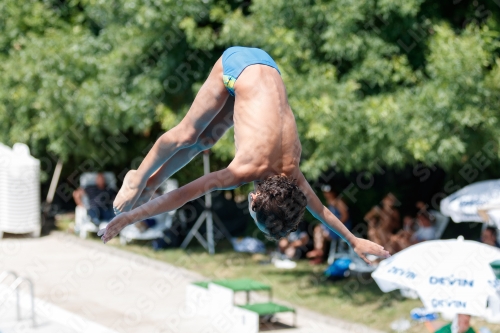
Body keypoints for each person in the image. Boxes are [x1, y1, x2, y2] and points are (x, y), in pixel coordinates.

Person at [98, 46, 389, 263]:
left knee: (206, 140)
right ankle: (138, 177)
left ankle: (150, 182)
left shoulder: (293, 177)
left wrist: (353, 240)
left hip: (266, 66)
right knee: (188, 133)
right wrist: (130, 218)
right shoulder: (243, 171)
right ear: (253, 199)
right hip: (237, 66)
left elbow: (321, 212)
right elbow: (181, 196)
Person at [307, 185, 351, 263]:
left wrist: (334, 226)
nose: (326, 194)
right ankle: (318, 252)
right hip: (332, 227)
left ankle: (319, 253)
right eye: (325, 193)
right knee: (318, 229)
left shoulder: (339, 201)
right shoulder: (330, 202)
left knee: (320, 232)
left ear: (333, 192)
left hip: (341, 228)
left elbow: (345, 216)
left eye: (328, 192)